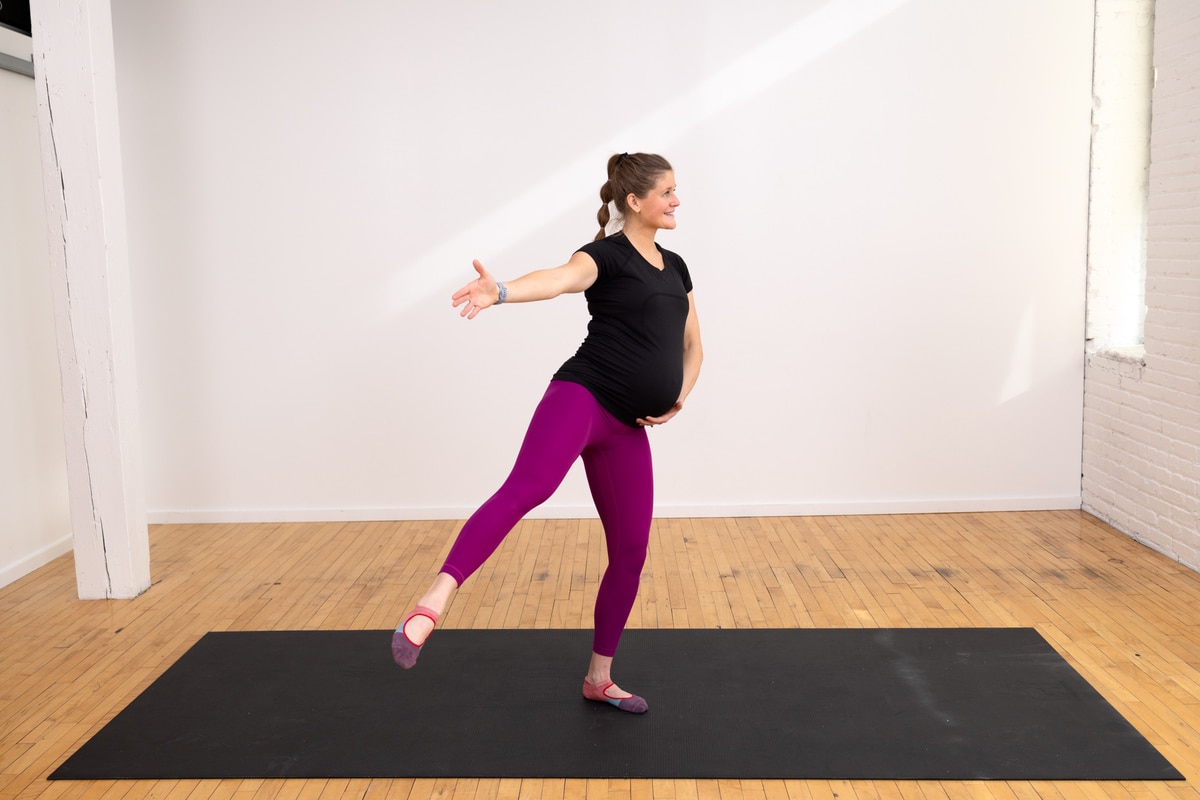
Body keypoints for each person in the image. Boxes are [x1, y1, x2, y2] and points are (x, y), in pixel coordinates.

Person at [392, 152, 703, 715]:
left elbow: (693, 345)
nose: (677, 200)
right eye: (668, 192)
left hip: (630, 429)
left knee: (631, 551)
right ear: (635, 202)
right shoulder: (603, 256)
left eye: (676, 190)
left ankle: (599, 678)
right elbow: (558, 280)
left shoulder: (677, 266)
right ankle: (434, 599)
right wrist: (502, 291)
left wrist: (677, 395)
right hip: (582, 398)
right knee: (527, 488)